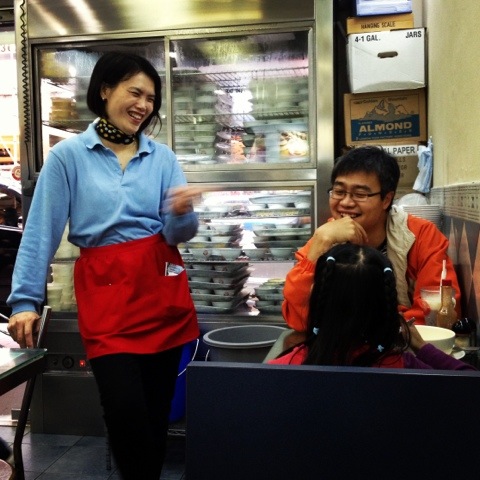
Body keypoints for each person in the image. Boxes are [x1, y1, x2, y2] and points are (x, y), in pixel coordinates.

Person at [7, 52, 201, 479]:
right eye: (136, 93)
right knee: (124, 413)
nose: (144, 105)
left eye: (151, 98)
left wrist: (183, 212)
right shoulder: (69, 157)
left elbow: (177, 234)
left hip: (160, 289)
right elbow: (41, 230)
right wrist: (24, 300)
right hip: (107, 294)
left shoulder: (162, 158)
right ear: (105, 90)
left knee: (155, 415)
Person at [282, 145, 460, 331]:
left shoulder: (421, 236)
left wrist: (357, 327)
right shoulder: (326, 237)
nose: (346, 202)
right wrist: (318, 245)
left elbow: (438, 313)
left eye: (360, 194)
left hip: (400, 346)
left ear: (386, 200)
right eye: (339, 191)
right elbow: (297, 318)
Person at [270, 244, 474, 370]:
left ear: (317, 297)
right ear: (386, 306)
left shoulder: (283, 368)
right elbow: (469, 380)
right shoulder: (402, 366)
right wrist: (421, 346)